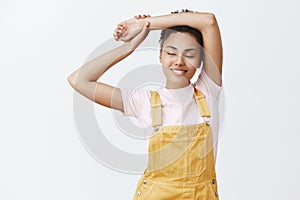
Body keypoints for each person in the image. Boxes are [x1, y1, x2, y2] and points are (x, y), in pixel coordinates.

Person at [68, 9, 223, 199]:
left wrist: (145, 23)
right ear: (160, 56)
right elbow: (79, 80)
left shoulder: (209, 91)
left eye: (189, 54)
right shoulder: (143, 102)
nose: (179, 61)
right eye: (171, 52)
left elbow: (208, 21)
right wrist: (128, 48)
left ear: (201, 60)